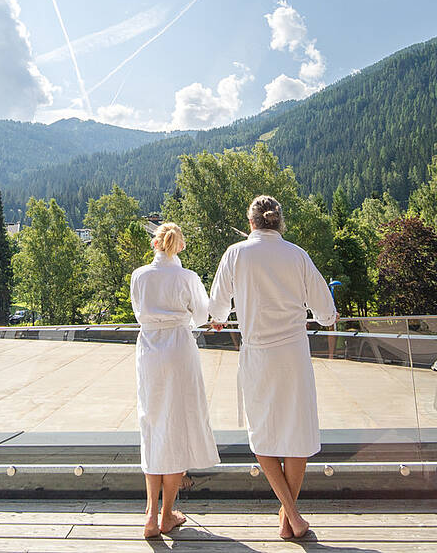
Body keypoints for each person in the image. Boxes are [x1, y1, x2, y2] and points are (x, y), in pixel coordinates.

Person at [209, 195, 337, 540]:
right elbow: (325, 313)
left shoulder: (235, 254)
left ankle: (289, 515)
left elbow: (217, 308)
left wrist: (219, 319)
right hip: (293, 355)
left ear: (251, 222)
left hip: (258, 356)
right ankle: (289, 517)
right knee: (297, 435)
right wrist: (328, 316)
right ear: (279, 222)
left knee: (262, 435)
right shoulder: (297, 255)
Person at [131, 221, 220, 538]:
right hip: (180, 348)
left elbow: (138, 311)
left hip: (150, 351)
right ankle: (167, 514)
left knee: (152, 423)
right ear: (179, 246)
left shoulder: (139, 276)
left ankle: (150, 515)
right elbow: (202, 315)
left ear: (154, 244)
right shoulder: (188, 278)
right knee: (178, 426)